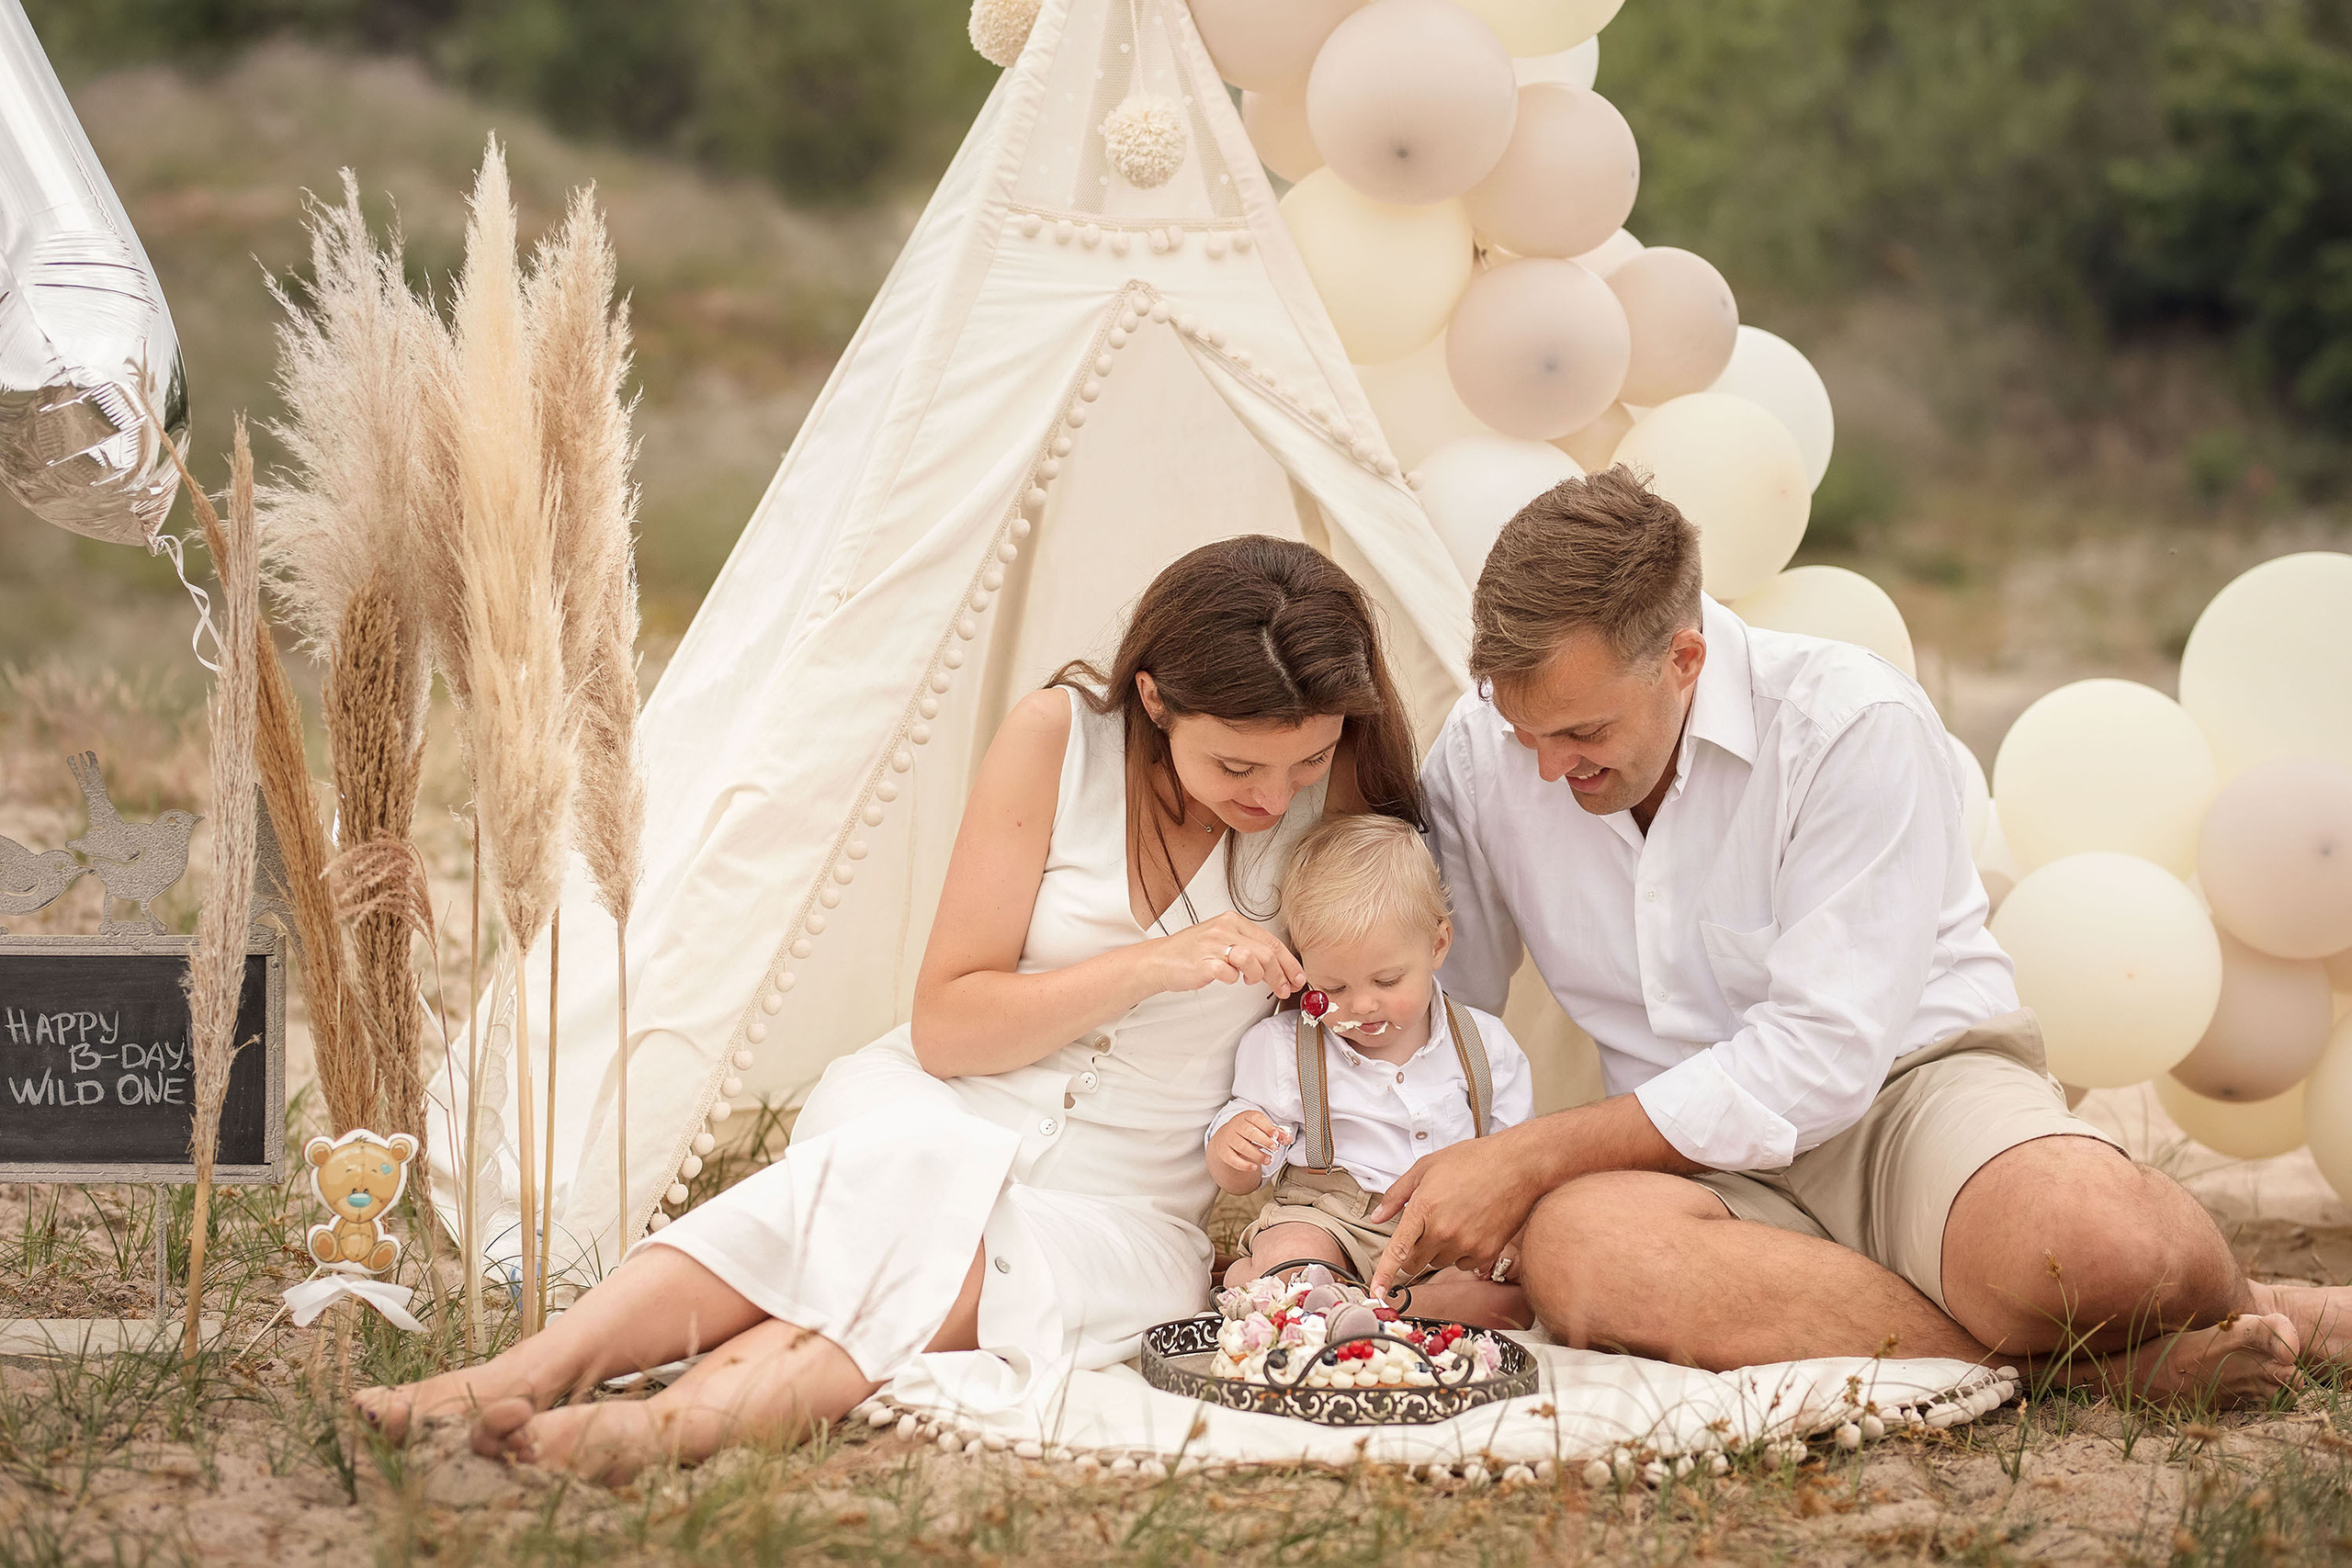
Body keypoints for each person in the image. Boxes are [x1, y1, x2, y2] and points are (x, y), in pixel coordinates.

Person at [354, 536, 1429, 1482]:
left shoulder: (1342, 809)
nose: (1273, 796)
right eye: (1237, 763)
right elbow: (950, 1029)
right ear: (1153, 699)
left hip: (1124, 1207)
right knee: (910, 1175)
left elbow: (1388, 1021)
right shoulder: (1061, 740)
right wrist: (1153, 966)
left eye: (1309, 759)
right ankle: (525, 1374)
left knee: (951, 1250)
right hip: (944, 1104)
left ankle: (674, 1423)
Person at [1374, 467, 2346, 1403]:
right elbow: (1450, 1005)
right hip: (1678, 1159)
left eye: (1580, 734)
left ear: (1684, 659)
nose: (1545, 770)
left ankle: (2256, 1308)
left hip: (1909, 1094)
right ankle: (2080, 1377)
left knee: (2096, 1248)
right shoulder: (1484, 742)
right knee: (1583, 1259)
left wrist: (1535, 1155)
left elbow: (1822, 1058)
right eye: (1524, 733)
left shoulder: (1847, 720)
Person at [1206, 814, 1532, 1328]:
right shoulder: (1285, 1048)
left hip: (1442, 1233)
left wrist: (1506, 1234)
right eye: (1333, 988)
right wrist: (1234, 1151)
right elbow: (1244, 1175)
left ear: (1438, 945)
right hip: (1328, 1218)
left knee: (1510, 1299)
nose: (1360, 1005)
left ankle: (1372, 1309)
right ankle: (1315, 1291)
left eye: (1387, 980)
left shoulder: (1487, 1047)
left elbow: (1515, 1164)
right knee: (1295, 1253)